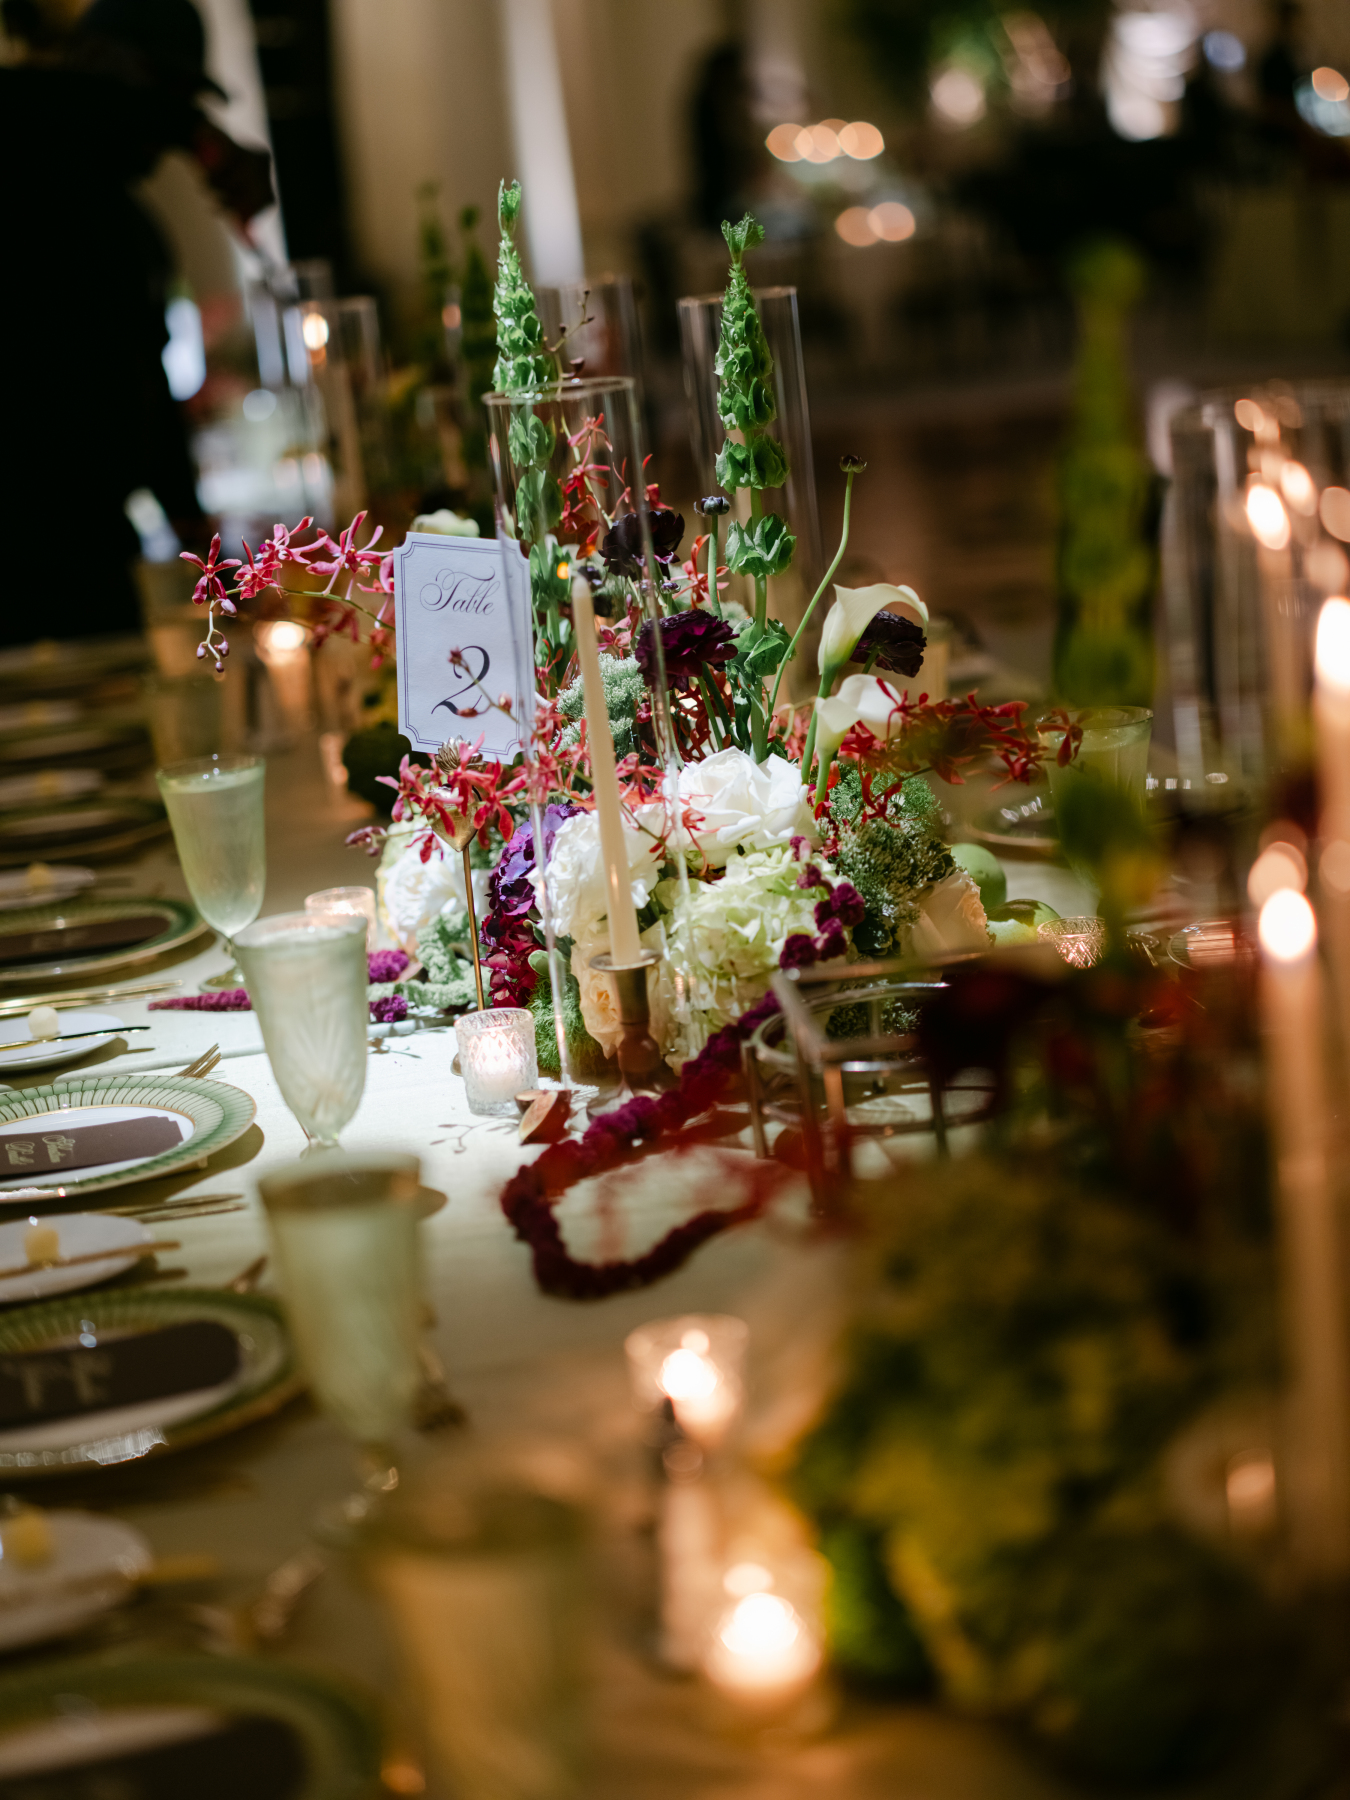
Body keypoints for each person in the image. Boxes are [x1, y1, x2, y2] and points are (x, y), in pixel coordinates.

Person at [0, 0, 273, 644]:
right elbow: (35, 99)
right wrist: (192, 130)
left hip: (93, 558)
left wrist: (212, 564)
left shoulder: (123, 224)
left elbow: (149, 411)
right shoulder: (27, 171)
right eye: (174, 98)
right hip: (25, 568)